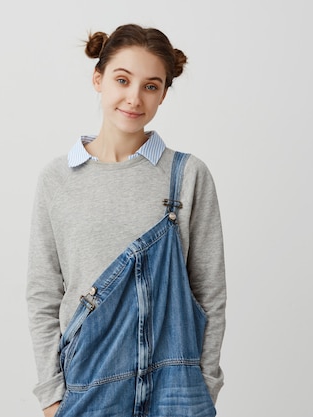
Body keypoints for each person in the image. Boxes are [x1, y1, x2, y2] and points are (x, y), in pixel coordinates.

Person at [26, 23, 226, 417]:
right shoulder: (57, 179)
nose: (134, 98)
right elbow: (43, 293)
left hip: (175, 388)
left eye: (151, 86)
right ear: (98, 79)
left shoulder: (187, 175)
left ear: (164, 94)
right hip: (86, 385)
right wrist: (51, 395)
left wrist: (205, 385)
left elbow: (210, 294)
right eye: (122, 80)